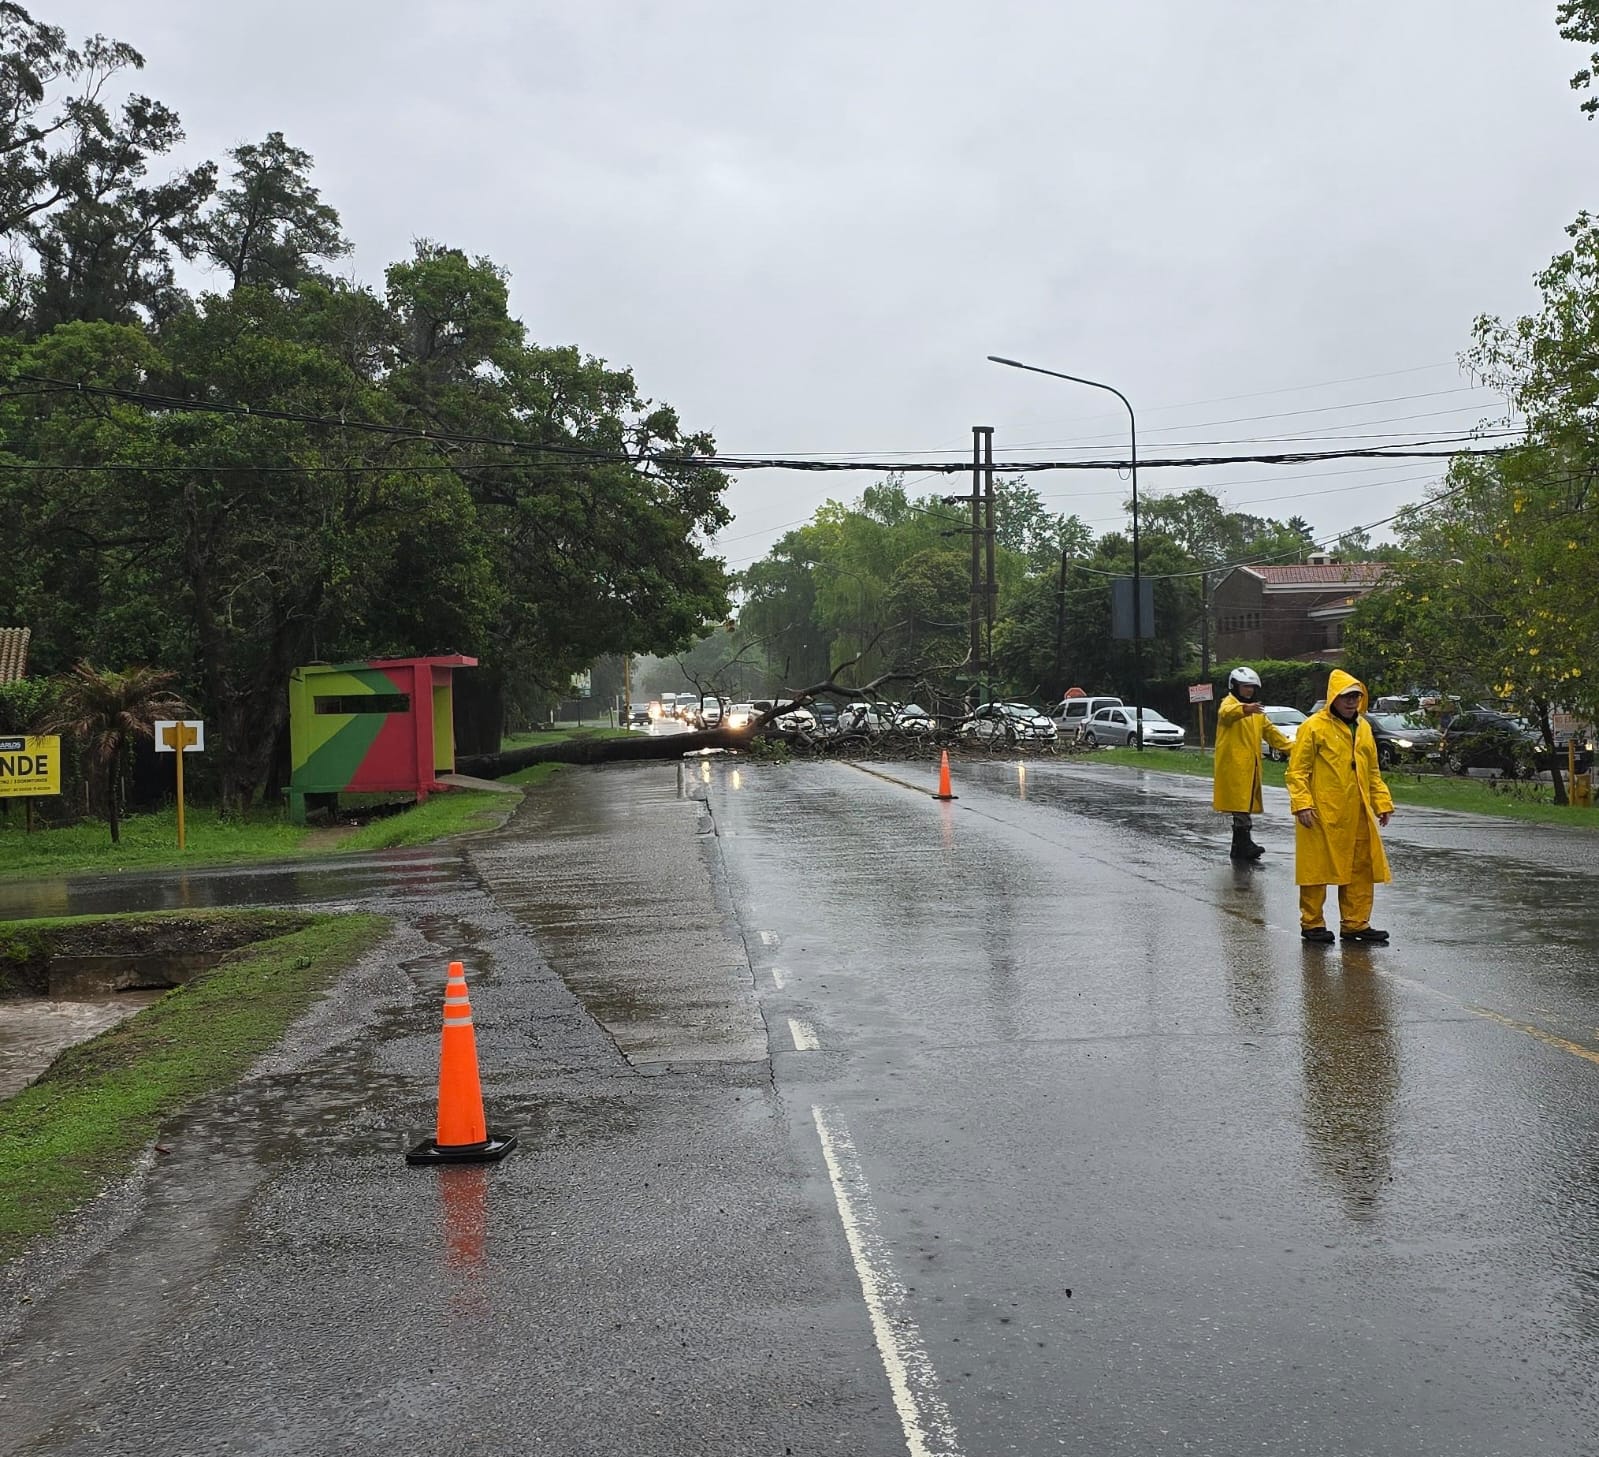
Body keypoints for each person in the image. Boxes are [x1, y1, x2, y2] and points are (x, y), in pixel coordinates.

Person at [1286, 668, 1395, 944]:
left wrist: (1381, 802)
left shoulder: (1364, 727)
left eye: (1356, 696)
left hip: (1356, 812)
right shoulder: (1313, 727)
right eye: (1346, 696)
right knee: (1316, 870)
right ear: (1333, 697)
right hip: (1320, 812)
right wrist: (1302, 804)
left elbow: (1372, 771)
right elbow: (1297, 771)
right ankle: (1312, 924)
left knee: (1360, 868)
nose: (1351, 702)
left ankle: (1356, 924)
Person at [1212, 666, 1293, 861]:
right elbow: (1227, 713)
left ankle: (1239, 847)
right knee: (1240, 806)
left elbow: (1272, 733)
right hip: (1234, 766)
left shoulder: (1257, 712)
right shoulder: (1229, 704)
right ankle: (1244, 844)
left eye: (1252, 687)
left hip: (1250, 767)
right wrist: (1245, 709)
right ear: (1234, 686)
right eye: (1245, 687)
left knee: (1244, 805)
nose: (1249, 691)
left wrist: (1294, 749)